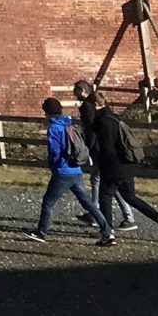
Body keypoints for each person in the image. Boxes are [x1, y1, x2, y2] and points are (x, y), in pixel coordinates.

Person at [87, 94, 158, 245]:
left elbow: (106, 148)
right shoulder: (115, 117)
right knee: (130, 197)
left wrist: (99, 161)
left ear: (95, 104)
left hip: (113, 167)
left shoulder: (103, 122)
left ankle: (108, 234)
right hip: (127, 165)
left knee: (105, 197)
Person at [32, 95, 105, 242]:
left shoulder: (53, 128)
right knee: (87, 203)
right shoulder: (68, 124)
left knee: (48, 202)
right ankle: (106, 229)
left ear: (47, 112)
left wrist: (52, 163)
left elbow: (54, 151)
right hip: (76, 170)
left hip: (62, 171)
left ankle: (41, 231)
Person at [74, 80, 131, 229]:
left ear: (82, 90)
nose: (74, 94)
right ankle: (125, 216)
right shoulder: (95, 108)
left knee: (99, 182)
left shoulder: (87, 107)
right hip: (103, 152)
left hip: (99, 152)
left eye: (76, 91)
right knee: (109, 185)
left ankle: (96, 215)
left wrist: (88, 150)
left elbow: (91, 130)